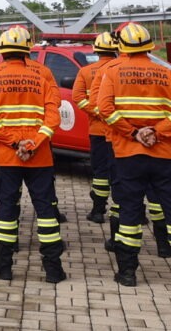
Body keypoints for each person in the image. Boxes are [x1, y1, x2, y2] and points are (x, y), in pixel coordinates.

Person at [96, 21, 171, 291]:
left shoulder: (113, 73)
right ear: (149, 46)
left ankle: (128, 273)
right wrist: (158, 132)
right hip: (164, 154)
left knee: (130, 212)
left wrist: (134, 133)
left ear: (122, 48)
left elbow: (105, 109)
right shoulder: (168, 75)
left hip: (128, 154)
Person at [0, 25, 65, 284]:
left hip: (7, 157)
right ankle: (53, 270)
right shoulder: (42, 78)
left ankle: (3, 267)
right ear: (28, 51)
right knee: (46, 212)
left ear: (2, 52)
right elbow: (53, 116)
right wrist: (33, 142)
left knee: (7, 211)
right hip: (39, 156)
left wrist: (15, 142)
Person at [73, 32, 119, 225]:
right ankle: (127, 212)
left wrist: (96, 112)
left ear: (96, 51)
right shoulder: (121, 69)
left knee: (100, 172)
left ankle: (98, 211)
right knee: (120, 173)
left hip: (98, 130)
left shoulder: (86, 71)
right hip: (121, 132)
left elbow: (78, 98)